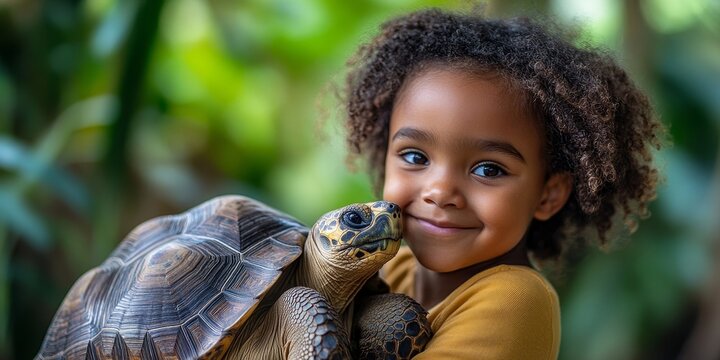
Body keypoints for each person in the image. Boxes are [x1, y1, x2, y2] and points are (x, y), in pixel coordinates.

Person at [341, 7, 665, 359]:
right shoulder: (390, 268)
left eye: (488, 170)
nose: (440, 192)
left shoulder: (517, 299)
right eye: (416, 157)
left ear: (548, 195)